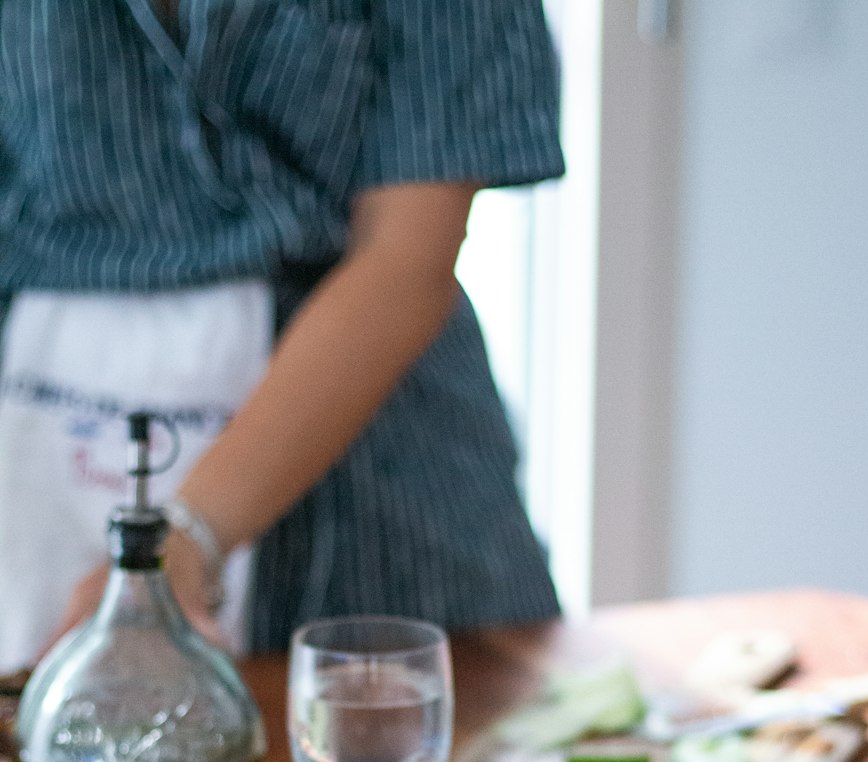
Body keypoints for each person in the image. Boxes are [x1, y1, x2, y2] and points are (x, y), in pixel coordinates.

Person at [0, 1, 564, 672]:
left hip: (374, 485)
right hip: (40, 418)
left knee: (422, 749)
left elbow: (407, 257)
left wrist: (184, 543)